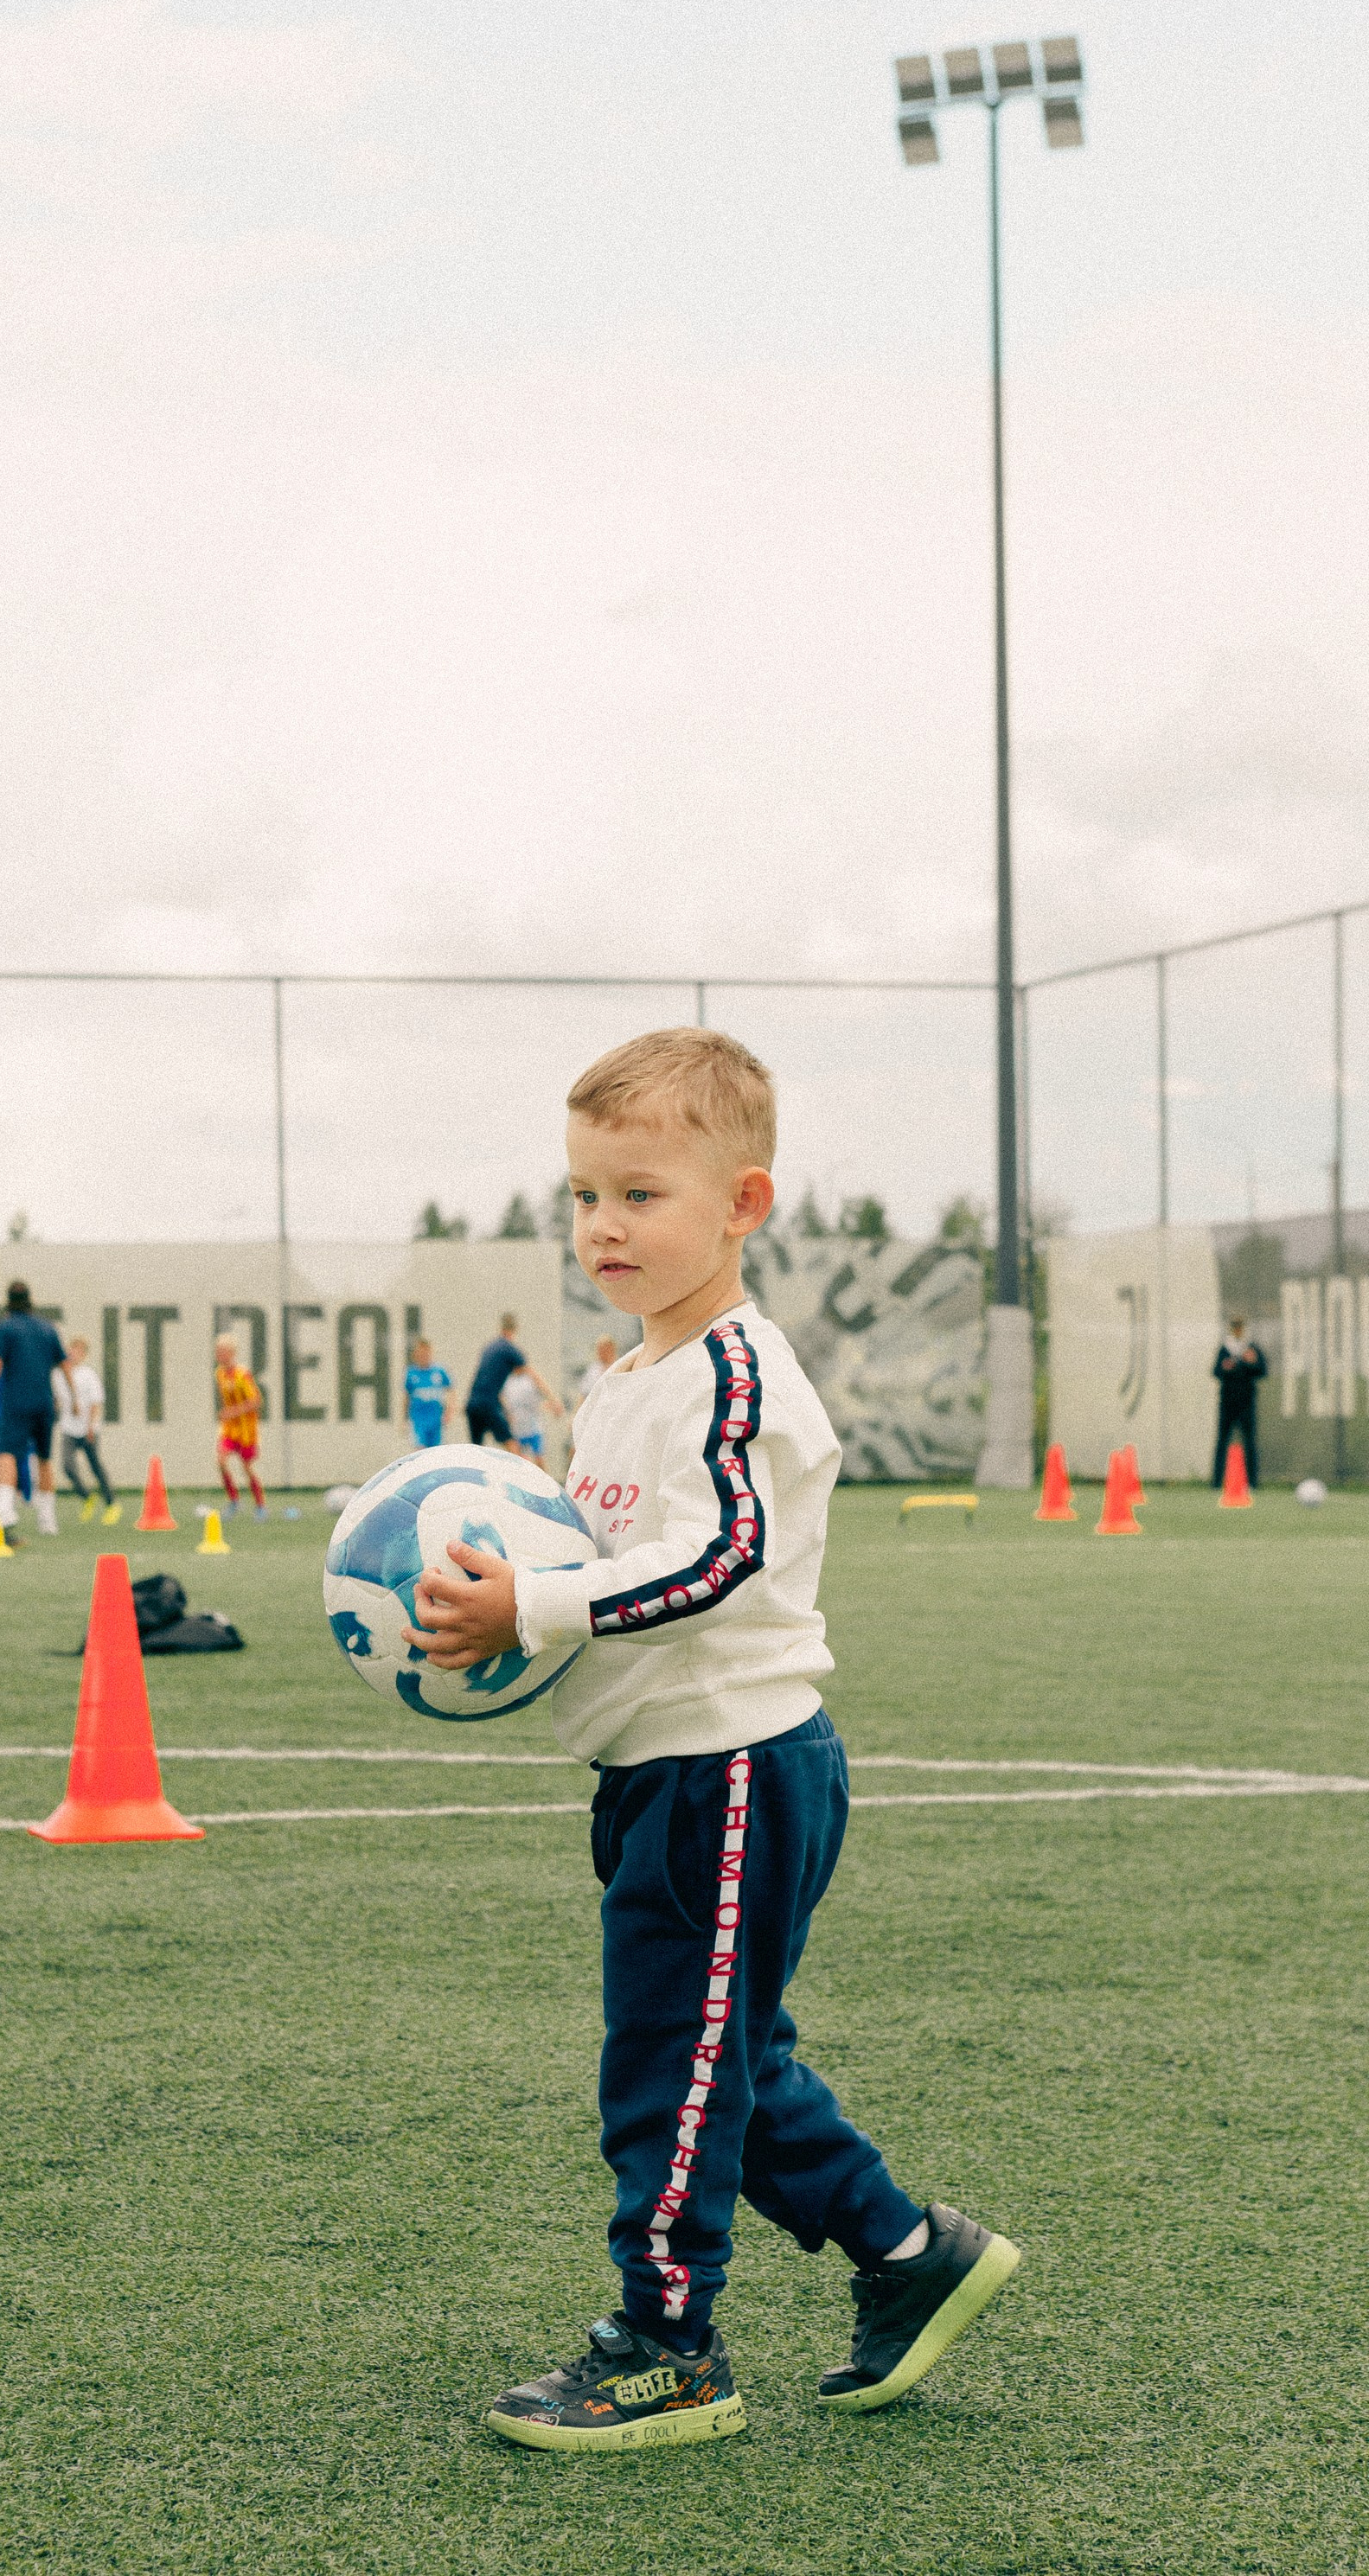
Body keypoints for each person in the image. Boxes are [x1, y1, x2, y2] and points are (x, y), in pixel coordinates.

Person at [413, 1026, 1019, 2451]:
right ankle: (912, 2255)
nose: (601, 1228)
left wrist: (534, 1606)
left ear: (743, 1205)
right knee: (721, 2065)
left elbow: (724, 1563)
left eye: (640, 1195)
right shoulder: (629, 1376)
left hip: (732, 1763)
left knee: (668, 2069)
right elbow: (604, 1543)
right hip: (660, 1771)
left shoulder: (737, 1377)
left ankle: (669, 2348)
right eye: (583, 1196)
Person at [0, 1281, 71, 1538]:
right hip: (45, 1402)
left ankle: (4, 1510)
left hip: (16, 1403)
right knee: (44, 1459)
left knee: (6, 1454)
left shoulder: (4, 1328)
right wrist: (74, 1398)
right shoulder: (47, 1329)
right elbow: (65, 1365)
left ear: (8, 1302)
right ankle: (47, 1520)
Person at [464, 1314, 558, 1449]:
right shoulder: (509, 1348)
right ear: (515, 1330)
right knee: (512, 1444)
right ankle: (520, 1471)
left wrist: (506, 1410)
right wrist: (553, 1400)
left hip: (472, 1404)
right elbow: (533, 1376)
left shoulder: (489, 1347)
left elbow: (491, 1381)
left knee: (476, 1449)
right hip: (488, 1403)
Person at [55, 1335, 121, 1525]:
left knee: (95, 1467)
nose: (73, 1353)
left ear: (84, 1355)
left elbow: (95, 1403)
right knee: (67, 1465)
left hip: (87, 1429)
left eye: (78, 1350)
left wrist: (91, 1426)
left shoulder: (88, 1375)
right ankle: (87, 1497)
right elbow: (59, 1399)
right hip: (69, 1428)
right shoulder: (60, 1374)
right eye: (71, 1349)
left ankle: (112, 1503)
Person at [1212, 1314, 1269, 1489]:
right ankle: (1216, 1482)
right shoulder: (1225, 1348)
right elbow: (1216, 1371)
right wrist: (1226, 1368)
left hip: (1246, 1403)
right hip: (1227, 1402)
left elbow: (1262, 1370)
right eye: (1235, 1326)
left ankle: (1252, 1482)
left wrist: (1249, 1363)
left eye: (1240, 1326)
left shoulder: (1251, 1348)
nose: (1237, 1329)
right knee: (1222, 1441)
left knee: (1250, 1442)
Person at [214, 1333, 267, 1518]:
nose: (218, 1355)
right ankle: (234, 1501)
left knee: (247, 1467)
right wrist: (226, 1414)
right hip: (230, 1430)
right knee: (221, 1461)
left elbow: (256, 1401)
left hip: (246, 1431)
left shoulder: (242, 1374)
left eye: (222, 1351)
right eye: (217, 1351)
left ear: (231, 1353)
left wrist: (232, 1412)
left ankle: (260, 1505)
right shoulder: (220, 1374)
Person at [501, 1358, 564, 1469]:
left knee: (539, 1459)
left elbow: (544, 1390)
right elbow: (501, 1397)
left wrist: (554, 1403)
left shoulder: (530, 1376)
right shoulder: (507, 1379)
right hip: (516, 1427)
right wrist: (506, 1413)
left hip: (533, 1425)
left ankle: (544, 1484)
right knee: (518, 1460)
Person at [403, 1336, 453, 1449]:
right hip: (418, 1420)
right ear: (415, 1354)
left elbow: (451, 1391)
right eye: (420, 1354)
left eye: (426, 1353)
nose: (423, 1357)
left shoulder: (439, 1371)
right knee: (420, 1451)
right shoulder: (411, 1373)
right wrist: (404, 1419)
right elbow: (406, 1397)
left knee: (436, 1452)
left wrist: (449, 1411)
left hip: (436, 1419)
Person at [577, 1333, 620, 1403]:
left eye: (603, 1349)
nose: (599, 1352)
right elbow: (583, 1394)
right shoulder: (593, 1370)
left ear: (611, 1349)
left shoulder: (620, 1366)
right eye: (598, 1349)